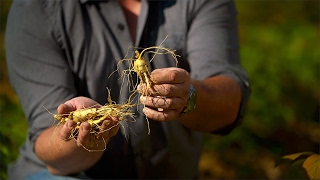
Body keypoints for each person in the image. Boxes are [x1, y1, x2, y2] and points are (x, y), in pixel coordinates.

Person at [5, 0, 251, 179]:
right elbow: (51, 150)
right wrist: (87, 135)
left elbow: (230, 101)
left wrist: (188, 95)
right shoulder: (37, 9)